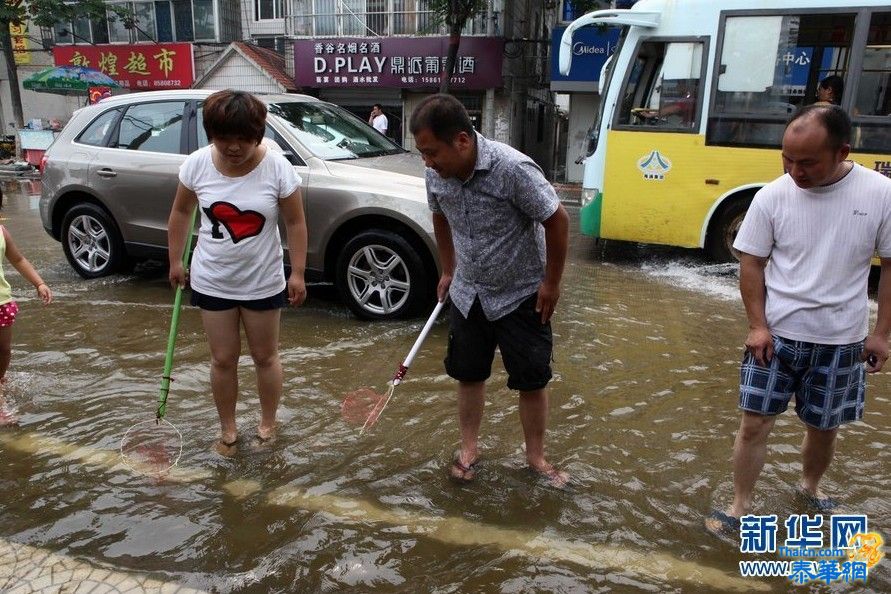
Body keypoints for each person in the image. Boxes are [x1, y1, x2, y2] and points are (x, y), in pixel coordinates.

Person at [706, 104, 891, 535]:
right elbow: (751, 263)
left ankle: (810, 488)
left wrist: (881, 335)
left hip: (842, 339)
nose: (794, 170)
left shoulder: (880, 194)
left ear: (842, 152)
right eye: (786, 159)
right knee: (753, 424)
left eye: (807, 162)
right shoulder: (772, 194)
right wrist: (757, 325)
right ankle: (738, 507)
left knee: (824, 427)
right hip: (776, 337)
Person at [409, 93, 571, 486]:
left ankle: (535, 458)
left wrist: (551, 284)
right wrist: (448, 269)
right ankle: (469, 449)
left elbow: (558, 220)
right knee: (468, 374)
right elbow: (439, 215)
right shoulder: (437, 174)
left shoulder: (512, 169)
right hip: (469, 293)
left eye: (432, 152)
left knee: (532, 379)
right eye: (423, 154)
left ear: (462, 140)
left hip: (521, 293)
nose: (428, 162)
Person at [167, 90, 308, 456]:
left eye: (243, 139)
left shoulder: (277, 167)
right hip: (213, 278)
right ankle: (228, 429)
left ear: (258, 135)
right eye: (223, 138)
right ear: (211, 134)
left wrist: (299, 273)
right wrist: (175, 261)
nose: (233, 147)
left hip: (263, 280)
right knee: (223, 359)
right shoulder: (196, 165)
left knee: (266, 357)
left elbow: (295, 221)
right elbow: (181, 213)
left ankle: (267, 423)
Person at [0, 225, 52, 426]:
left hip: (2, 302)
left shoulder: (2, 232)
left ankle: (1, 377)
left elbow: (18, 259)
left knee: (4, 351)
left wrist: (39, 283)